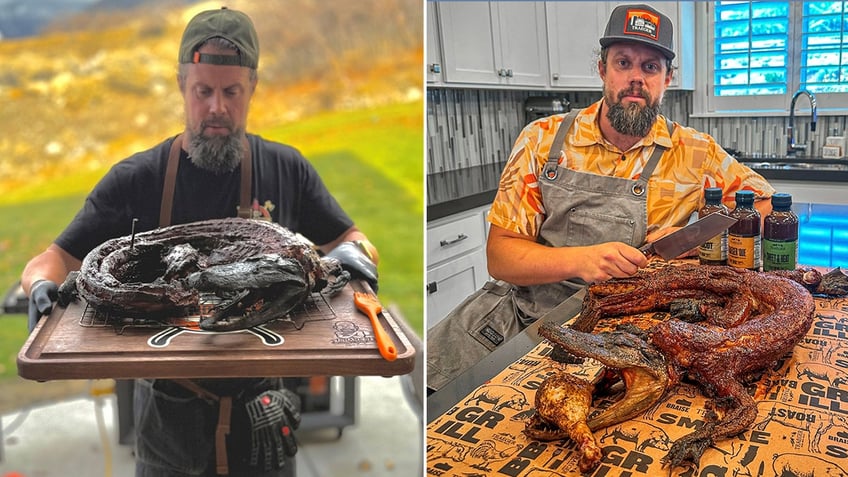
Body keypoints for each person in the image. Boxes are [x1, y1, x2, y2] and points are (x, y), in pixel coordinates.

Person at [21, 7, 378, 477]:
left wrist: (356, 254)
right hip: (167, 423)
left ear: (251, 87)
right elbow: (51, 260)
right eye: (203, 91)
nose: (217, 108)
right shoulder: (137, 180)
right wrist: (41, 288)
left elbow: (353, 240)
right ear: (181, 85)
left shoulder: (286, 169)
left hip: (263, 411)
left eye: (231, 92)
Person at [426, 3, 775, 392]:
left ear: (668, 78)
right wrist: (584, 259)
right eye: (623, 62)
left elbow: (766, 204)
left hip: (626, 337)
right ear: (602, 70)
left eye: (650, 67)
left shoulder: (695, 152)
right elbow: (500, 257)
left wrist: (695, 241)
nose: (635, 78)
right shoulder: (542, 139)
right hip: (527, 317)